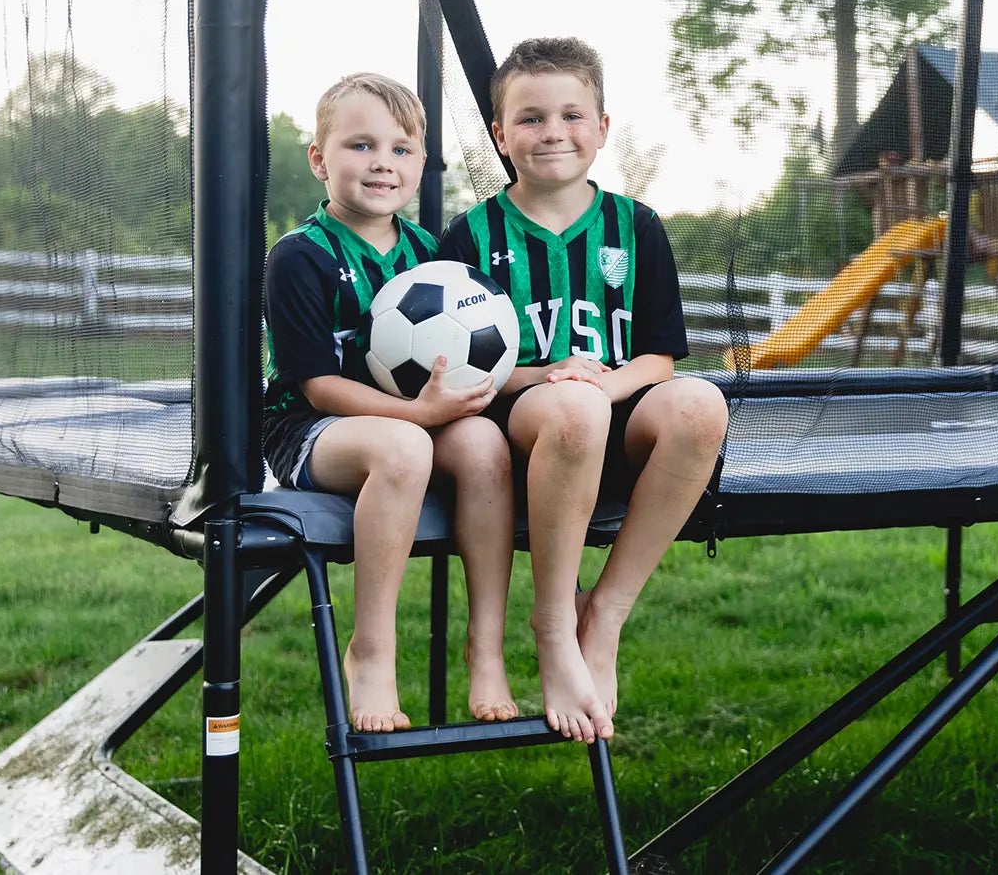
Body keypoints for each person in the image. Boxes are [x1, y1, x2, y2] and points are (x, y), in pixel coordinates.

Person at [439, 38, 728, 743]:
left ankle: (603, 616)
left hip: (617, 411)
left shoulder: (639, 228)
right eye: (531, 118)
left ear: (602, 128)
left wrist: (601, 378)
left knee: (702, 403)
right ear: (501, 135)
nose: (553, 132)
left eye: (572, 114)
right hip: (526, 421)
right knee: (571, 406)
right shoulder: (470, 237)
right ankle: (551, 625)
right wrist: (547, 375)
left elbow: (658, 357)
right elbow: (450, 366)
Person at [261, 72, 517, 732]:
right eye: (360, 145)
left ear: (422, 165)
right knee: (403, 448)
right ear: (319, 158)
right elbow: (318, 385)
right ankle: (371, 651)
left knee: (486, 444)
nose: (383, 163)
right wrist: (421, 416)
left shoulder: (432, 257)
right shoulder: (297, 258)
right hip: (313, 428)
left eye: (402, 149)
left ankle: (486, 646)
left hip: (416, 417)